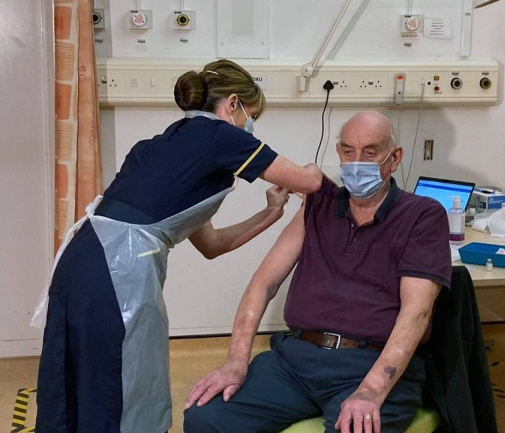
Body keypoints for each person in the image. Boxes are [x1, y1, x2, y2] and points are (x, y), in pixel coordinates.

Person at [33, 59, 323, 433]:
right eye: (252, 115)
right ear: (233, 104)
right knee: (121, 388)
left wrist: (270, 213)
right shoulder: (221, 136)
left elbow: (213, 244)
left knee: (72, 384)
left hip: (82, 260)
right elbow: (307, 181)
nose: (251, 126)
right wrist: (318, 169)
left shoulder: (163, 149)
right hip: (117, 271)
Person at [183, 110, 453, 433]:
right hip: (295, 361)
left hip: (368, 363)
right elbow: (263, 284)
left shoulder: (422, 215)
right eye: (349, 151)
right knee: (204, 419)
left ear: (394, 159)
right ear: (338, 153)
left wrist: (371, 391)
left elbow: (416, 314)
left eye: (370, 152)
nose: (357, 162)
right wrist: (235, 362)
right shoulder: (318, 204)